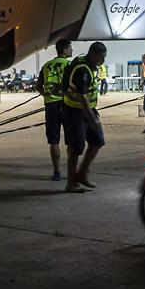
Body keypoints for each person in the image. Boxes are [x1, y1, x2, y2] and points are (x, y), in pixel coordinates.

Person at [61, 42, 108, 193]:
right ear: (94, 54)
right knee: (76, 148)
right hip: (75, 112)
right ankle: (70, 183)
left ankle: (82, 174)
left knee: (98, 141)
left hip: (88, 110)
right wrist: (92, 118)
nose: (104, 60)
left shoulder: (90, 66)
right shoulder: (83, 69)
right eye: (103, 57)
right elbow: (82, 97)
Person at [34, 38, 73, 181]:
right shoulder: (70, 65)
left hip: (51, 105)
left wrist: (48, 95)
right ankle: (71, 170)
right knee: (71, 140)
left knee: (54, 140)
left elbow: (38, 86)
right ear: (64, 50)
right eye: (70, 48)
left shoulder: (46, 66)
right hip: (67, 105)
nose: (71, 50)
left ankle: (57, 172)